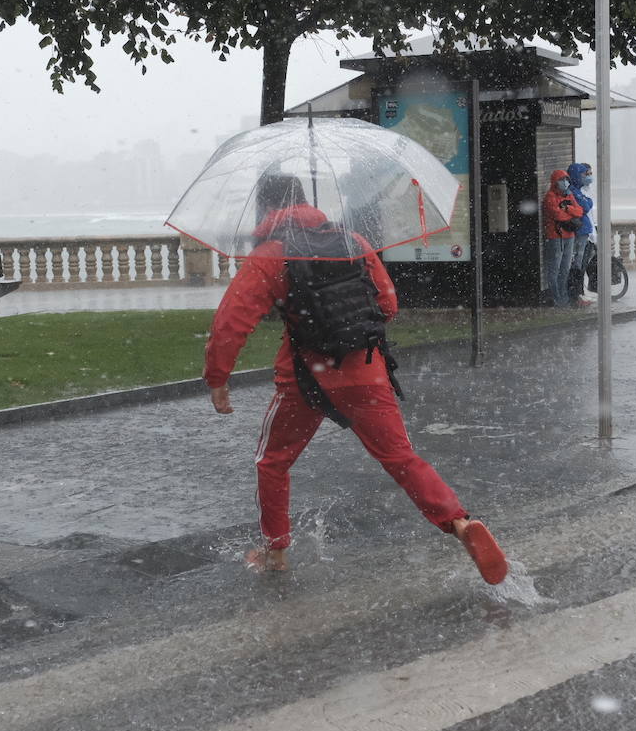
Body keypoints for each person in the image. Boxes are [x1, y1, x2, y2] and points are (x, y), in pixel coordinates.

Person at [204, 173, 509, 584]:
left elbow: (229, 325)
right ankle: (459, 522)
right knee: (401, 458)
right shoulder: (353, 242)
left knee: (273, 461)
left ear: (266, 209)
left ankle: (275, 551)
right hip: (366, 370)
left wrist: (218, 379)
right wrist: (344, 326)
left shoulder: (270, 256)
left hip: (304, 380)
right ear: (306, 201)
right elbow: (387, 304)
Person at [541, 169, 584, 307]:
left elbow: (579, 211)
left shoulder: (569, 195)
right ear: (555, 182)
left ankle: (563, 299)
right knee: (554, 269)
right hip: (555, 237)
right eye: (562, 180)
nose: (565, 182)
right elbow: (557, 215)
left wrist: (567, 209)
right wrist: (568, 212)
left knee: (565, 269)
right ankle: (556, 298)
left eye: (566, 180)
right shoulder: (550, 197)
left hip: (569, 236)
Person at [566, 162, 596, 308]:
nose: (588, 177)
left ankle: (579, 292)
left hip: (585, 231)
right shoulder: (573, 191)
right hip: (580, 232)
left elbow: (586, 206)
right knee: (578, 264)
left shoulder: (578, 190)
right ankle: (577, 294)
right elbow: (584, 206)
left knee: (582, 263)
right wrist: (587, 202)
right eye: (586, 174)